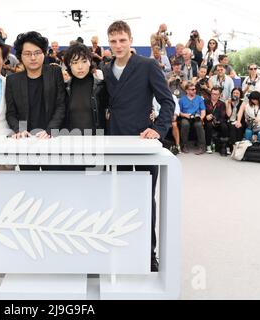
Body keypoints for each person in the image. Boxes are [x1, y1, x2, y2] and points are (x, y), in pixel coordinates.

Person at [103, 21, 175, 272]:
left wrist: (158, 129)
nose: (118, 45)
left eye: (122, 40)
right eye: (113, 41)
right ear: (108, 43)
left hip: (142, 142)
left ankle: (148, 253)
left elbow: (167, 102)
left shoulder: (147, 65)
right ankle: (122, 249)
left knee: (145, 198)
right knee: (117, 198)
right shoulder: (106, 68)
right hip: (115, 143)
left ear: (131, 40)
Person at [5, 31, 66, 140]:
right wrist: (20, 130)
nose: (33, 58)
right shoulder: (12, 80)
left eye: (37, 53)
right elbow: (11, 113)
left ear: (44, 53)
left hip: (51, 137)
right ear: (20, 56)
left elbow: (61, 104)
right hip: (25, 138)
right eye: (27, 54)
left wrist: (50, 130)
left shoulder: (55, 73)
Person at [63, 43, 107, 134]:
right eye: (75, 62)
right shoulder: (64, 89)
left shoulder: (101, 86)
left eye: (84, 61)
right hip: (71, 142)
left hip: (96, 142)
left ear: (90, 61)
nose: (80, 67)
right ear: (69, 65)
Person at [178, 82, 206, 154]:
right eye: (192, 89)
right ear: (187, 90)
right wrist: (185, 115)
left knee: (199, 125)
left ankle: (202, 147)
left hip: (196, 117)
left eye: (195, 89)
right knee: (185, 124)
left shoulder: (199, 98)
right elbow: (178, 112)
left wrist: (201, 118)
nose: (194, 91)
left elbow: (203, 111)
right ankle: (184, 145)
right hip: (186, 117)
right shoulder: (182, 99)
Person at [204, 86, 229, 155]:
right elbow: (202, 112)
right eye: (212, 93)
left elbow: (223, 116)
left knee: (224, 126)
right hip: (208, 121)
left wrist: (217, 121)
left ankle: (225, 145)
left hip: (218, 121)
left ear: (219, 95)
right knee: (208, 125)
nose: (213, 95)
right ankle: (208, 145)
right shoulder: (205, 102)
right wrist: (206, 116)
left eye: (215, 94)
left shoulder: (222, 104)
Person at [226, 87, 245, 151]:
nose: (235, 94)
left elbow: (240, 112)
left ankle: (238, 146)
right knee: (232, 127)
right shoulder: (227, 101)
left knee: (238, 127)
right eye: (234, 93)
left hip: (239, 120)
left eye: (237, 93)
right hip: (230, 120)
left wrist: (238, 121)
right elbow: (228, 114)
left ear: (240, 95)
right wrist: (229, 103)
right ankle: (233, 147)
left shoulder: (243, 102)